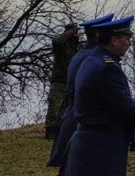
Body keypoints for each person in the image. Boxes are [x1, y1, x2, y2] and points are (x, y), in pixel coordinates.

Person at [62, 16, 135, 176]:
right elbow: (126, 108)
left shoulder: (92, 60)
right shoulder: (108, 68)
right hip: (101, 148)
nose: (129, 43)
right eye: (127, 38)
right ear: (114, 40)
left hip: (89, 143)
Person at [47, 13, 114, 167]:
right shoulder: (96, 59)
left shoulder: (82, 54)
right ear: (99, 35)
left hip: (74, 119)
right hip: (84, 124)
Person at [45, 22, 81, 139]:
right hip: (59, 80)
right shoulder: (62, 45)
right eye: (74, 31)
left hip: (71, 81)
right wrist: (69, 33)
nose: (76, 33)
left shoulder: (77, 47)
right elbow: (57, 41)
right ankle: (50, 130)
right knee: (55, 106)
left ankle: (59, 131)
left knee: (64, 108)